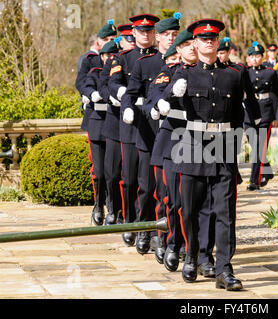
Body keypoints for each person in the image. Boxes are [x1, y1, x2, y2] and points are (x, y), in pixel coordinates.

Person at [158, 18, 259, 291]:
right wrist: (172, 94)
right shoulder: (185, 74)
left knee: (225, 212)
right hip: (192, 145)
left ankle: (225, 269)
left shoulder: (234, 75)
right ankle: (192, 254)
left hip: (224, 146)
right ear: (194, 43)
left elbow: (241, 114)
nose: (209, 42)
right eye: (203, 39)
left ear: (218, 42)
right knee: (189, 209)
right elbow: (163, 102)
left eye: (213, 38)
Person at [122, 12, 181, 257]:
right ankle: (145, 227)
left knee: (171, 191)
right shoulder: (145, 63)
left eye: (175, 35)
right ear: (157, 38)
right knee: (147, 188)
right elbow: (131, 92)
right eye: (166, 35)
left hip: (177, 134)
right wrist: (127, 107)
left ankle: (165, 235)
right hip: (149, 131)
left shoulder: (187, 62)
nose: (170, 39)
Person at [146, 30, 197, 272]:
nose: (192, 48)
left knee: (194, 201)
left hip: (199, 140)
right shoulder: (169, 72)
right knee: (172, 200)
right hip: (173, 139)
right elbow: (155, 92)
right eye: (185, 45)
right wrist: (161, 102)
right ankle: (171, 242)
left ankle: (192, 247)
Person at [109, 13, 160, 247]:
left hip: (153, 122)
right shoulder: (124, 57)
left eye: (149, 31)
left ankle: (146, 225)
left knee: (150, 181)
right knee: (129, 180)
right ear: (135, 33)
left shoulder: (161, 58)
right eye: (141, 31)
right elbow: (113, 81)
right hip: (131, 122)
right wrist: (123, 96)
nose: (145, 34)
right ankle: (129, 220)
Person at [76, 20, 117, 225]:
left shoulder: (120, 61)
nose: (110, 43)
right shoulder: (91, 61)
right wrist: (90, 94)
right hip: (96, 120)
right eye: (107, 40)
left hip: (115, 119)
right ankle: (98, 204)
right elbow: (81, 83)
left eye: (113, 40)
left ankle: (113, 206)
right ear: (99, 42)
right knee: (99, 171)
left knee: (114, 170)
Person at [101, 25, 136, 230]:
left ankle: (127, 212)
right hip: (115, 121)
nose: (131, 42)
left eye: (133, 39)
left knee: (131, 175)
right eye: (127, 39)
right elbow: (104, 85)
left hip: (135, 122)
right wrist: (112, 97)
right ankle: (113, 208)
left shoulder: (142, 60)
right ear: (120, 41)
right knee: (113, 172)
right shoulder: (115, 61)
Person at [246, 41, 278, 191]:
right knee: (254, 146)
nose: (255, 59)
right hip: (249, 113)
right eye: (252, 56)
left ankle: (254, 180)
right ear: (248, 58)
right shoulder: (245, 72)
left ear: (263, 57)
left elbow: (277, 90)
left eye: (258, 56)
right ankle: (267, 170)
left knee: (260, 147)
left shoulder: (270, 72)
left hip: (265, 112)